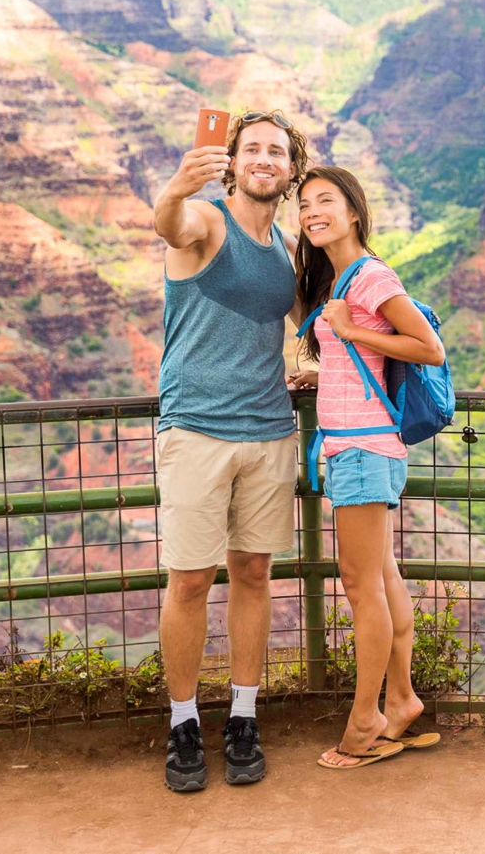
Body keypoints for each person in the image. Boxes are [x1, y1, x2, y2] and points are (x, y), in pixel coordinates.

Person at [152, 109, 311, 791]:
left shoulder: (286, 251)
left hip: (269, 430)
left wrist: (314, 367)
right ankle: (183, 722)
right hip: (196, 428)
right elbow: (170, 226)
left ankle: (243, 715)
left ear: (290, 169)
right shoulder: (207, 221)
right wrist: (175, 188)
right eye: (252, 149)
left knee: (253, 573)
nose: (264, 159)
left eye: (277, 151)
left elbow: (313, 323)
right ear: (233, 161)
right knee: (190, 579)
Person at [287, 165, 445, 769]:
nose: (312, 213)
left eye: (325, 201)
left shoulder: (371, 277)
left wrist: (352, 329)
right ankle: (401, 700)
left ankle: (365, 721)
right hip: (362, 446)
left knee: (361, 588)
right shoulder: (340, 278)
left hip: (362, 452)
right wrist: (323, 373)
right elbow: (360, 361)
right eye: (305, 205)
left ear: (353, 211)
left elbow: (428, 348)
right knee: (382, 579)